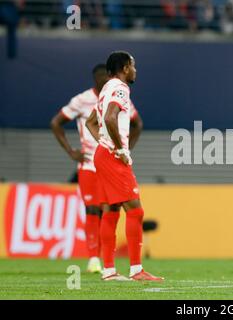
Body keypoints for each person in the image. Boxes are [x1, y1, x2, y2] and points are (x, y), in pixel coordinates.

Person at [50, 64, 143, 273]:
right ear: (96, 79)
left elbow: (137, 123)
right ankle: (96, 260)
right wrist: (71, 151)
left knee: (110, 209)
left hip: (107, 159)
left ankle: (109, 267)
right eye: (101, 77)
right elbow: (56, 122)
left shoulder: (114, 95)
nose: (104, 80)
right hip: (90, 164)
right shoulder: (84, 99)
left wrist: (124, 149)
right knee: (95, 209)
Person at [86, 51, 163, 282]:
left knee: (110, 212)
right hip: (112, 156)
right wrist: (118, 147)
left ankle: (109, 271)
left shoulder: (105, 89)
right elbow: (109, 119)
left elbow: (91, 121)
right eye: (134, 65)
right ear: (125, 67)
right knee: (136, 211)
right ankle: (136, 270)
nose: (135, 70)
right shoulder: (120, 88)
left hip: (103, 154)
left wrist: (103, 142)